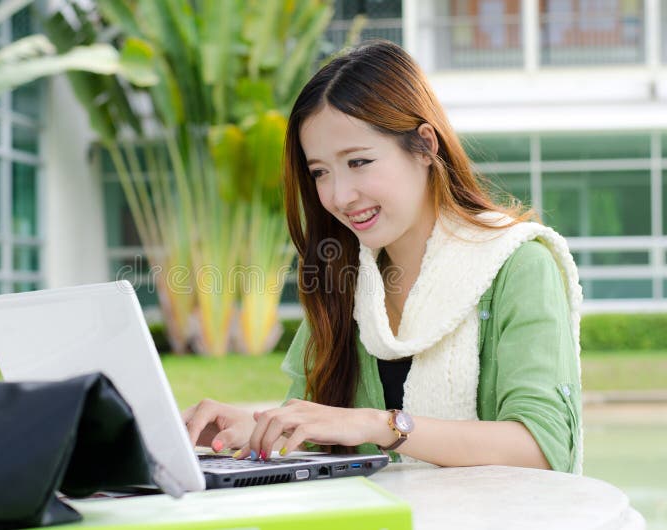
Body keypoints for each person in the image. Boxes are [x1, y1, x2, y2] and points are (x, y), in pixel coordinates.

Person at [182, 40, 583, 474]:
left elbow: (544, 448)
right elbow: (324, 424)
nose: (339, 196)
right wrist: (254, 428)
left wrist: (383, 425)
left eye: (358, 162)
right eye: (320, 172)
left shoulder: (519, 265)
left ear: (425, 146)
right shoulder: (345, 276)